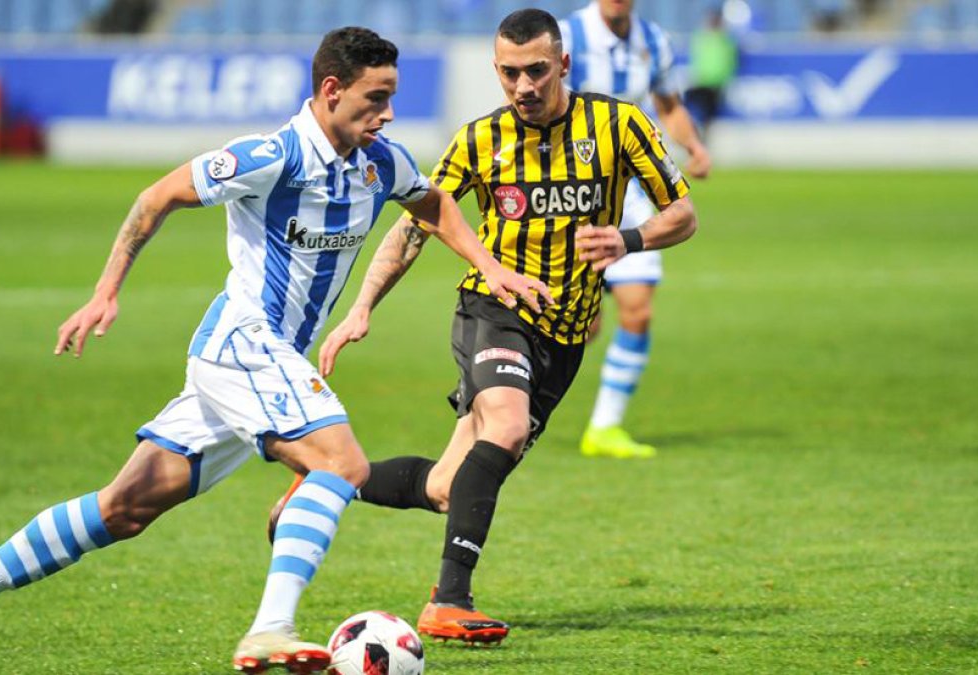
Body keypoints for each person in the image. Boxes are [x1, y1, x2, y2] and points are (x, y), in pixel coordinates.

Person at [0, 27, 551, 675]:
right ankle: (271, 627)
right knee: (342, 463)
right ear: (330, 91)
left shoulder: (382, 162)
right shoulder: (272, 157)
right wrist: (106, 291)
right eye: (375, 97)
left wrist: (488, 265)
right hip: (244, 343)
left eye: (392, 97)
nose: (387, 112)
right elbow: (158, 197)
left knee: (123, 508)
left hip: (265, 368)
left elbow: (433, 202)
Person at [269, 8, 698, 645]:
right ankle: (449, 600)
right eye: (508, 73)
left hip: (566, 335)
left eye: (536, 71)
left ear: (564, 66)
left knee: (447, 487)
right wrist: (361, 308)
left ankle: (329, 479)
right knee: (505, 422)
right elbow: (415, 226)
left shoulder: (618, 124)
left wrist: (628, 238)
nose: (522, 86)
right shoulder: (478, 140)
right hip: (492, 311)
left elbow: (683, 213)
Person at [560, 0, 713, 459]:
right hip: (574, 195)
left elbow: (668, 105)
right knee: (578, 325)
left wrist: (693, 146)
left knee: (639, 310)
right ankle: (510, 408)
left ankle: (605, 426)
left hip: (628, 196)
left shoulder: (655, 41)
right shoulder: (567, 38)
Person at [686, 9, 739, 134]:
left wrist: (725, 79)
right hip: (701, 80)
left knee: (708, 113)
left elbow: (729, 62)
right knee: (687, 106)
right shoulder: (701, 36)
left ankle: (701, 135)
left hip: (716, 83)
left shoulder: (726, 40)